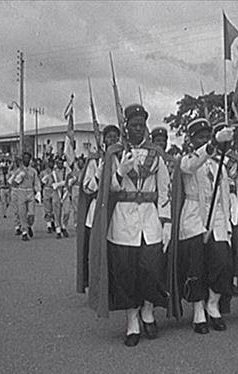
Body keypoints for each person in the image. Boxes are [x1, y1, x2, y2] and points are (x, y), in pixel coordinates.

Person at [88, 104, 172, 347]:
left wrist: (166, 222)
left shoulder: (157, 154)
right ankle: (132, 320)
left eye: (141, 125)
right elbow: (105, 188)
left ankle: (148, 311)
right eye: (133, 125)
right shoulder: (114, 154)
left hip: (150, 221)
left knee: (151, 271)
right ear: (126, 127)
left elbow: (164, 190)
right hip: (123, 224)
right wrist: (119, 173)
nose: (138, 129)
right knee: (126, 275)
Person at [173, 118, 236, 334]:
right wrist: (212, 146)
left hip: (217, 214)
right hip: (193, 215)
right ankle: (198, 308)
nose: (204, 140)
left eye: (207, 136)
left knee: (222, 262)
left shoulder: (219, 164)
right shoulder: (186, 159)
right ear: (191, 140)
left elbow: (225, 195)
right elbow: (193, 164)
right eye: (199, 137)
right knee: (196, 265)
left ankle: (213, 304)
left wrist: (228, 223)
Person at [76, 124, 120, 294]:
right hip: (96, 209)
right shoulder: (95, 160)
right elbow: (87, 187)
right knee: (94, 249)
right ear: (104, 140)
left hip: (117, 209)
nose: (113, 140)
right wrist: (100, 172)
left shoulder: (124, 157)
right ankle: (93, 283)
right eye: (109, 137)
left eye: (115, 137)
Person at [9, 152, 41, 241]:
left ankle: (29, 225)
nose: (26, 160)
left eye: (28, 158)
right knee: (22, 213)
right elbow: (12, 183)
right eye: (24, 158)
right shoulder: (18, 171)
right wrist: (18, 178)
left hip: (30, 192)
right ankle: (24, 232)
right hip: (21, 192)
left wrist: (38, 191)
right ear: (22, 160)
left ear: (30, 160)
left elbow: (36, 182)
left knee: (31, 214)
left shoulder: (33, 171)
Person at [52, 154, 71, 238]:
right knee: (57, 213)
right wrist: (59, 184)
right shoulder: (53, 172)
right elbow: (50, 183)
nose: (60, 164)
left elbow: (72, 179)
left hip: (65, 193)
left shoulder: (67, 171)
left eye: (61, 162)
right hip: (56, 194)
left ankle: (64, 226)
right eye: (58, 162)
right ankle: (58, 230)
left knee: (67, 212)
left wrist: (67, 182)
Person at [40, 158, 56, 233]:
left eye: (53, 163)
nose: (51, 164)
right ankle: (49, 225)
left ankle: (54, 222)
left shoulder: (56, 171)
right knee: (47, 209)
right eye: (50, 163)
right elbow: (41, 182)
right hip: (46, 190)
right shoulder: (44, 172)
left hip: (54, 190)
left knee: (55, 208)